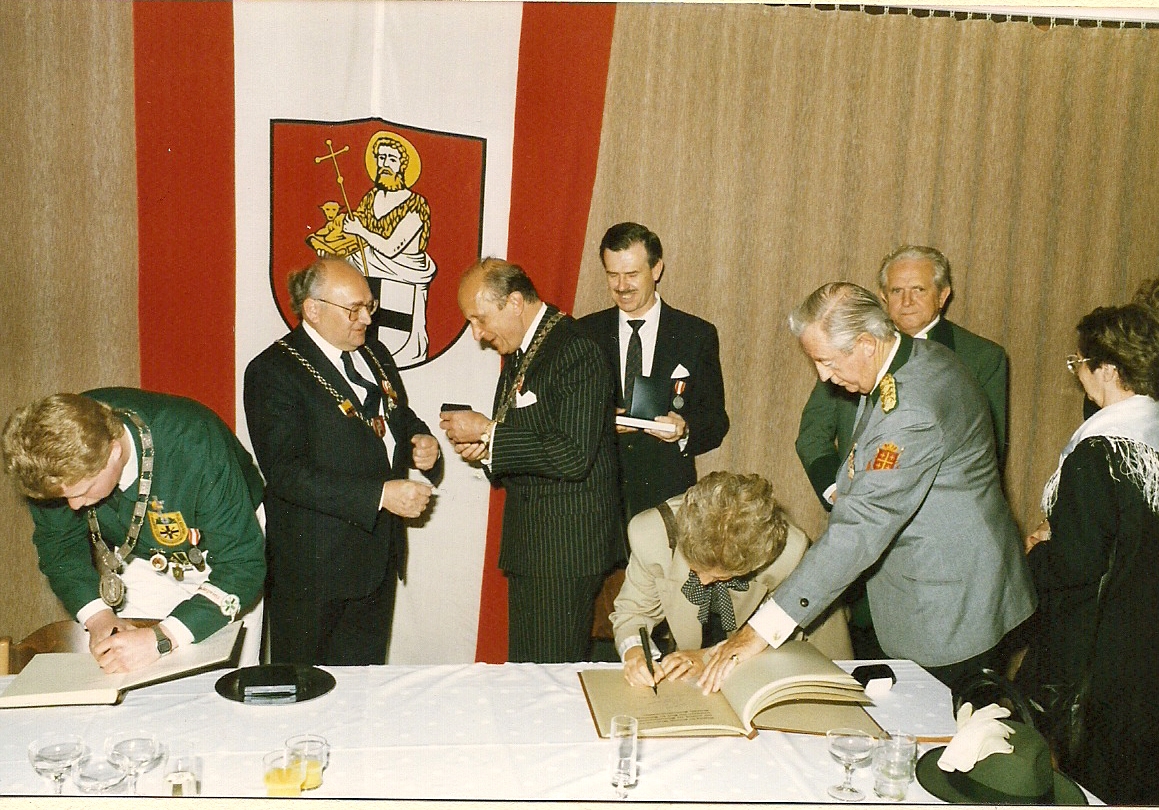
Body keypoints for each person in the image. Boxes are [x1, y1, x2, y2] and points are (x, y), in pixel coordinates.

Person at [699, 282, 1034, 695]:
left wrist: (759, 631)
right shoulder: (914, 358)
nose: (823, 376)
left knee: (943, 726)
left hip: (950, 608)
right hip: (942, 581)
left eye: (826, 361)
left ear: (866, 344)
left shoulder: (910, 411)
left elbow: (859, 531)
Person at [244, 257, 442, 665]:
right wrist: (379, 495)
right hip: (314, 568)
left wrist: (422, 441)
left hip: (377, 558)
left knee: (365, 688)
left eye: (369, 305)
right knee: (305, 686)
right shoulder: (272, 370)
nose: (367, 319)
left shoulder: (375, 353)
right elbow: (285, 472)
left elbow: (397, 415)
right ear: (313, 309)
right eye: (354, 309)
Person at [1, 389, 266, 673]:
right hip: (141, 557)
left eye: (83, 491)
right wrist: (98, 617)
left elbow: (242, 565)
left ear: (114, 452)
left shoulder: (194, 442)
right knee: (128, 671)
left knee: (227, 678)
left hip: (227, 549)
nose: (74, 507)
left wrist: (162, 639)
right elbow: (59, 549)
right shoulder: (50, 457)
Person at [440, 258, 623, 663]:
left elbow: (573, 455)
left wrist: (490, 434)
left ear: (515, 302)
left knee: (546, 677)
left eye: (480, 319)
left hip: (562, 552)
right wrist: (488, 452)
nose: (477, 334)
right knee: (529, 674)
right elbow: (532, 440)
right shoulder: (527, 348)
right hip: (535, 546)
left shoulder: (575, 350)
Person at [1018, 304, 1159, 805]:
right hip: (1147, 640)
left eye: (1078, 361)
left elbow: (1077, 566)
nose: (1076, 372)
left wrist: (1038, 552)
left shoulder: (1098, 451)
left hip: (1101, 652)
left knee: (1092, 781)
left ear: (1109, 370)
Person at [796, 244, 1008, 509]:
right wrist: (838, 494)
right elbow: (812, 435)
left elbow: (986, 454)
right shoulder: (851, 348)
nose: (907, 302)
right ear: (883, 297)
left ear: (942, 296)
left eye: (918, 290)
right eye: (897, 291)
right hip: (858, 511)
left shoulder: (980, 357)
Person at [611, 471, 851, 688]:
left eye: (719, 576)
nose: (703, 582)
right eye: (695, 569)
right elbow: (632, 613)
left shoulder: (789, 554)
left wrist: (707, 657)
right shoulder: (651, 534)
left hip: (794, 658)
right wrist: (635, 653)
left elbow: (783, 642)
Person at [577, 223, 729, 519]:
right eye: (612, 274)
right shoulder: (584, 333)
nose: (621, 286)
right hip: (597, 499)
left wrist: (684, 430)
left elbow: (715, 421)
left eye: (632, 274)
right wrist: (599, 421)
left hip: (666, 498)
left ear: (656, 269)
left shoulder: (695, 335)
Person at [339, 131, 436, 365]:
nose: (385, 164)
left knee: (404, 343)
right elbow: (356, 238)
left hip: (405, 276)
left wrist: (360, 230)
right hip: (371, 271)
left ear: (403, 165)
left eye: (392, 159)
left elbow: (392, 248)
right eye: (381, 158)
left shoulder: (416, 204)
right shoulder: (371, 198)